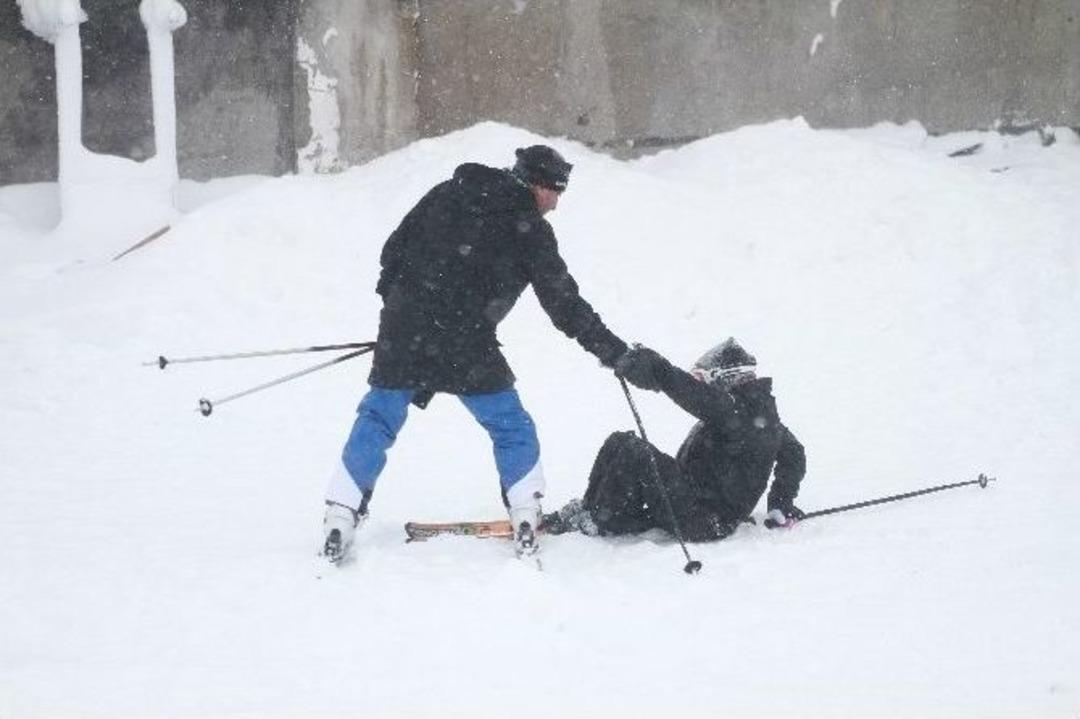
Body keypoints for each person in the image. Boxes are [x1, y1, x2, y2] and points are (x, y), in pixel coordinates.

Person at [321, 145, 628, 562]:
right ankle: (524, 510)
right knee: (510, 425)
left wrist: (400, 314)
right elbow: (564, 305)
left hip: (405, 331)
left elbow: (393, 251)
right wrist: (611, 350)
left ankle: (341, 512)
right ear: (539, 187)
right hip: (467, 343)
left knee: (378, 417)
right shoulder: (530, 229)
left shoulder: (447, 193)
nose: (556, 204)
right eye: (556, 193)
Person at [545, 338, 806, 541]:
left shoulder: (739, 412)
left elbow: (692, 394)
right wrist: (781, 502)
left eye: (704, 380)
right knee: (620, 441)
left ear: (724, 378)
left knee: (634, 451)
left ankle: (600, 520)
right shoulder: (757, 415)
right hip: (696, 501)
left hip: (705, 519)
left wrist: (656, 368)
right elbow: (794, 453)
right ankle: (591, 508)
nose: (703, 386)